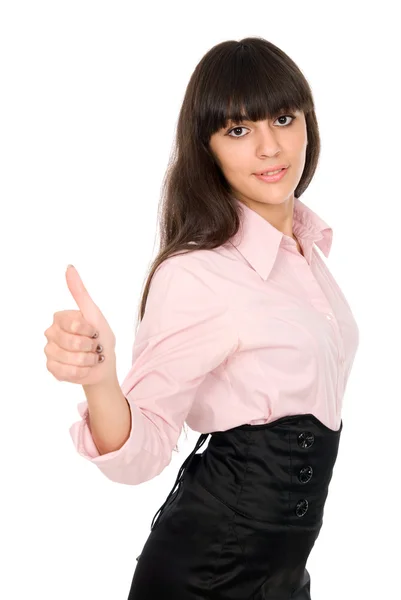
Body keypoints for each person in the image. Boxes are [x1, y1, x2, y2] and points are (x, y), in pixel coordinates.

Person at [44, 37, 360, 599]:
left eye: (283, 119)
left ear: (307, 123)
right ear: (207, 147)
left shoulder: (311, 256)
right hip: (204, 577)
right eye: (238, 130)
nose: (269, 146)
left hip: (285, 579)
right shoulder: (198, 273)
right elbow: (143, 451)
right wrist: (100, 380)